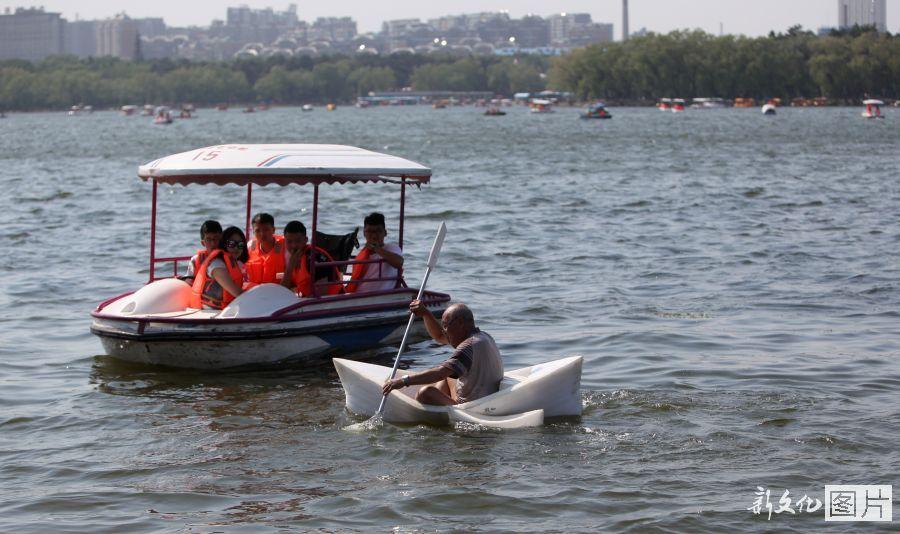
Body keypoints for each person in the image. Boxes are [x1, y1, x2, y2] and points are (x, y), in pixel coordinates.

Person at [382, 302, 503, 405]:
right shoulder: (484, 337)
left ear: (460, 323)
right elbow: (439, 336)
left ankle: (435, 409)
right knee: (449, 376)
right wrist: (425, 313)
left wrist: (403, 381)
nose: (444, 331)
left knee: (425, 393)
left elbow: (440, 373)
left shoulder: (468, 346)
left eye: (445, 325)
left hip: (470, 407)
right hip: (488, 399)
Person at [190, 226, 249, 310]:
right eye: (232, 244)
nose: (236, 248)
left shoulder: (237, 263)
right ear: (224, 244)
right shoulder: (217, 265)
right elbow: (237, 293)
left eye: (240, 245)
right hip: (208, 313)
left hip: (226, 311)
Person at [345, 212, 404, 293]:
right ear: (364, 233)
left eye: (378, 231)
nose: (374, 236)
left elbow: (399, 262)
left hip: (380, 296)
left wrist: (376, 249)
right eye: (369, 231)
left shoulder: (391, 248)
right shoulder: (362, 255)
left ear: (385, 233)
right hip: (358, 295)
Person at [281, 220, 342, 297]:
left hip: (335, 302)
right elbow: (282, 291)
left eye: (298, 241)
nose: (294, 246)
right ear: (284, 242)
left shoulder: (314, 259)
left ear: (305, 240)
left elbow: (321, 295)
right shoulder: (293, 259)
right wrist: (290, 266)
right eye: (289, 241)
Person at [246, 213, 284, 284]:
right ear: (253, 232)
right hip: (256, 292)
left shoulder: (285, 248)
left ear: (273, 229)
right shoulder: (250, 246)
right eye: (258, 231)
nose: (262, 234)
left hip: (280, 291)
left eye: (266, 230)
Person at [183, 220, 222, 284]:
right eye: (208, 239)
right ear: (203, 243)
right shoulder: (195, 261)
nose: (213, 243)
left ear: (221, 239)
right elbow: (188, 283)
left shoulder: (230, 259)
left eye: (216, 238)